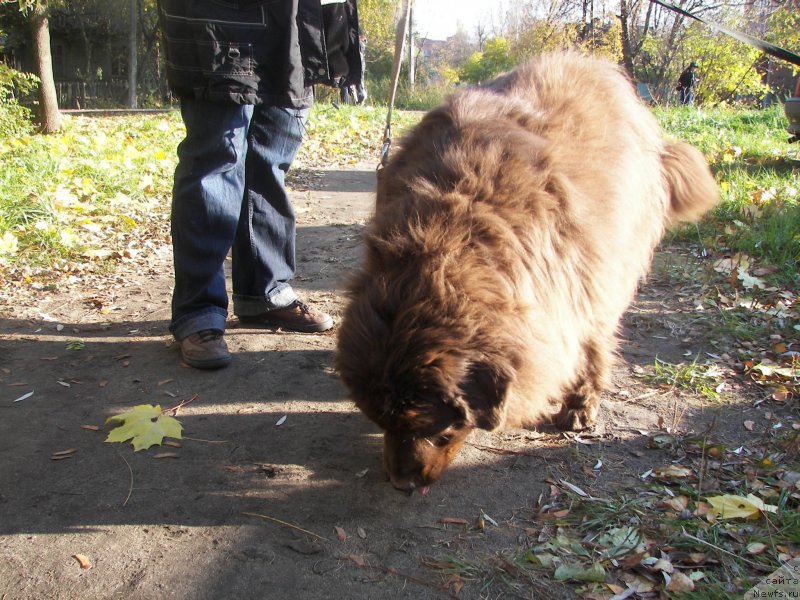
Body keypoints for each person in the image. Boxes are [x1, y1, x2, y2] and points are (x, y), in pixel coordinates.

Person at [157, 0, 363, 369]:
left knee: (272, 158)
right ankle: (200, 311)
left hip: (295, 20)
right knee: (216, 157)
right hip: (220, 18)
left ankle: (265, 293)